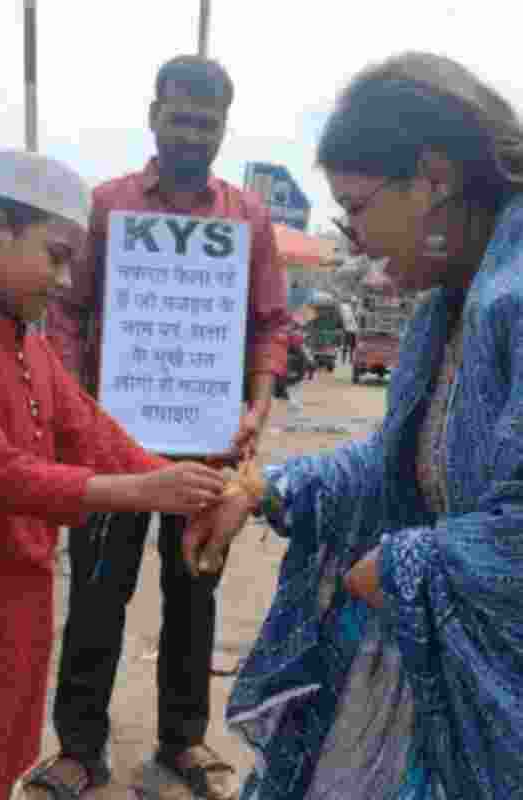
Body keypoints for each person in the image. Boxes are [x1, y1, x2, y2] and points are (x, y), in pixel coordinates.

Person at [179, 51, 523, 800]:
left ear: (434, 179)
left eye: (359, 209)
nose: (354, 238)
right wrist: (266, 486)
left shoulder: (514, 299)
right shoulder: (446, 307)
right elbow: (402, 462)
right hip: (436, 666)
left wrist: (404, 567)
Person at [0, 151, 229, 800]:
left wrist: (183, 488)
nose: (66, 281)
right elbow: (0, 476)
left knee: (3, 772)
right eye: (56, 256)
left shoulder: (27, 344)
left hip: (24, 614)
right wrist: (142, 492)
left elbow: (93, 433)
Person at [32, 55, 291, 800]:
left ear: (223, 129)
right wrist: (81, 408)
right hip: (113, 445)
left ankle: (183, 743)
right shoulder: (108, 207)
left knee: (195, 594)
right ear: (154, 116)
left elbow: (269, 323)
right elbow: (68, 312)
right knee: (97, 592)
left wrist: (259, 401)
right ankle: (79, 750)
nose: (192, 135)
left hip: (207, 443)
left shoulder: (249, 218)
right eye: (181, 119)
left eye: (207, 125)